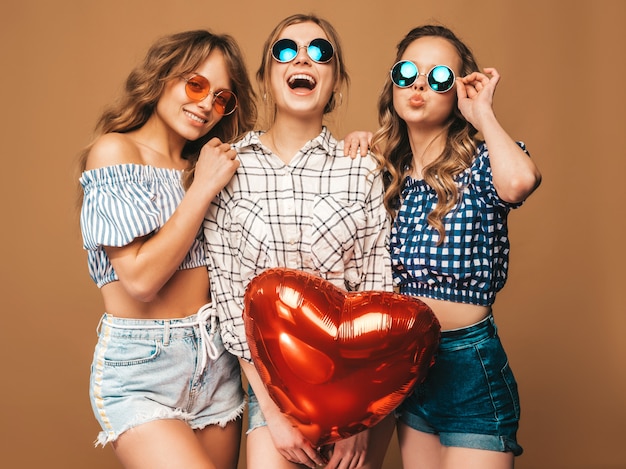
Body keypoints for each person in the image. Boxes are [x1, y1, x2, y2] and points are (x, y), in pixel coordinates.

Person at [203, 14, 396, 469]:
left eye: (320, 52)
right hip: (273, 396)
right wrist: (271, 414)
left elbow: (381, 295)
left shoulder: (362, 169)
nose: (303, 58)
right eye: (285, 50)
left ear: (335, 83)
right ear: (267, 78)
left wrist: (360, 420)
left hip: (355, 390)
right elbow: (231, 305)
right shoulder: (229, 169)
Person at [77, 29, 256, 469]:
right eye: (195, 85)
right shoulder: (116, 151)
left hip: (217, 362)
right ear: (163, 77)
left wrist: (360, 144)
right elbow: (140, 280)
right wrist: (201, 190)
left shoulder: (210, 163)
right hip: (142, 368)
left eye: (221, 98)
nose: (205, 105)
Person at [366, 24, 542, 468]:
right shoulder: (386, 174)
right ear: (392, 85)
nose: (420, 84)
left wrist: (482, 113)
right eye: (407, 72)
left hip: (468, 365)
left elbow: (520, 183)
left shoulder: (481, 164)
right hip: (406, 363)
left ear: (457, 93)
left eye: (439, 77)